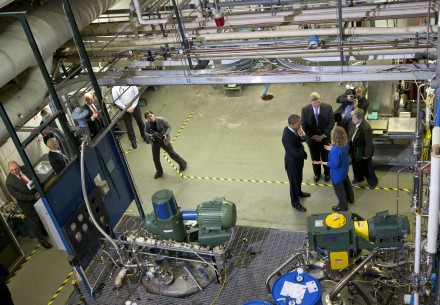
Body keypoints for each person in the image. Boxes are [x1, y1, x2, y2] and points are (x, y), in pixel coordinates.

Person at [5, 161, 52, 249]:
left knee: (45, 214)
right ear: (9, 170)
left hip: (38, 194)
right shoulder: (9, 182)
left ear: (18, 166)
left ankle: (46, 231)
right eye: (12, 170)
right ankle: (42, 241)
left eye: (16, 169)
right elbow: (18, 196)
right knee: (35, 222)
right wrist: (33, 198)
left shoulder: (25, 168)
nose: (14, 172)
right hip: (27, 203)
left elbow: (35, 176)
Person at [313, 126, 354, 211]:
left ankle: (343, 206)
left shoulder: (335, 150)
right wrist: (332, 148)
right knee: (346, 184)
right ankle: (350, 198)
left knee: (339, 190)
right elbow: (340, 151)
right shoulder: (345, 143)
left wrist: (322, 162)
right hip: (344, 170)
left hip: (337, 174)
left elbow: (334, 164)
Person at [301, 92, 335, 183]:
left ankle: (327, 173)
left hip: (325, 138)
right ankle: (317, 174)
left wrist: (324, 135)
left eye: (319, 102)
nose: (317, 104)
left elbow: (331, 122)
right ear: (311, 102)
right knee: (315, 157)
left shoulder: (328, 108)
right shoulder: (305, 110)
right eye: (315, 102)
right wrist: (312, 136)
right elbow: (304, 125)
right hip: (312, 140)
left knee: (326, 156)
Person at [144, 111, 187, 179]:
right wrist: (150, 135)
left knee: (172, 154)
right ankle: (159, 172)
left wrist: (166, 134)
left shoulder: (161, 119)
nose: (150, 118)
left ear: (153, 115)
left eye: (150, 115)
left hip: (163, 140)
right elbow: (145, 132)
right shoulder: (147, 123)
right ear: (147, 119)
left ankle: (183, 164)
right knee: (155, 158)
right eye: (148, 117)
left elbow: (169, 127)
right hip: (154, 142)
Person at [282, 114, 310, 212]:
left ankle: (299, 192)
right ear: (292, 124)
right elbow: (297, 153)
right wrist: (302, 146)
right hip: (292, 163)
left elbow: (301, 140)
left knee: (299, 178)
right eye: (298, 124)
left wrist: (302, 136)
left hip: (298, 162)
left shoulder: (294, 130)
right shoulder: (287, 137)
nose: (300, 126)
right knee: (293, 183)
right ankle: (295, 202)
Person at [348, 109, 378, 189]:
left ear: (359, 118)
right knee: (356, 165)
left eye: (354, 118)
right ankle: (359, 178)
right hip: (354, 149)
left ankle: (373, 182)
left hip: (363, 151)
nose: (352, 120)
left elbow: (369, 143)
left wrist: (366, 154)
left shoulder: (366, 127)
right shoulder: (354, 123)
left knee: (367, 167)